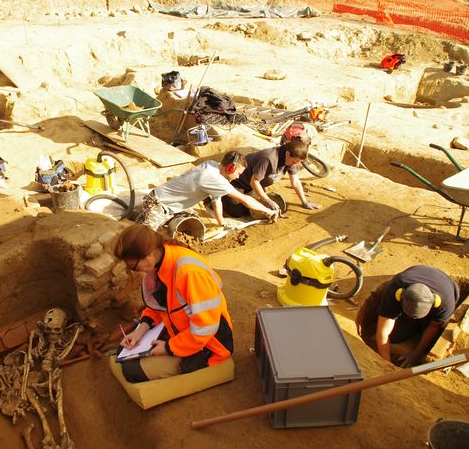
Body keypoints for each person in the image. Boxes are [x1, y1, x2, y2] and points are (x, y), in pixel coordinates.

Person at [113, 224, 234, 383]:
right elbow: (158, 305)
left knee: (132, 371)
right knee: (124, 351)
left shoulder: (189, 273)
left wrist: (168, 348)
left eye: (132, 266)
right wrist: (140, 331)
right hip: (182, 332)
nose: (133, 270)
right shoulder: (159, 261)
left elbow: (205, 328)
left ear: (148, 255)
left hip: (209, 345)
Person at [137, 150, 279, 232]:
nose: (238, 177)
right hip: (158, 203)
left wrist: (221, 222)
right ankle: (143, 219)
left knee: (193, 218)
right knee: (146, 236)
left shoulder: (212, 165)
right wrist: (268, 211)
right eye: (238, 173)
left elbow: (216, 201)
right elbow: (245, 199)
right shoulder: (213, 178)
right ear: (230, 168)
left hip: (171, 206)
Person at [375, 265, 459, 367]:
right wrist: (387, 363)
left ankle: (420, 327)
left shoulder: (446, 302)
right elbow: (383, 332)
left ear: (435, 302)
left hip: (445, 283)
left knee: (429, 332)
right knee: (395, 336)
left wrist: (418, 353)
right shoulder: (395, 288)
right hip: (415, 275)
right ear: (400, 296)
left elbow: (434, 326)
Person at [221, 139, 321, 218]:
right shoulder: (269, 158)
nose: (296, 165)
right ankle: (217, 195)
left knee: (254, 209)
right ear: (287, 154)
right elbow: (254, 182)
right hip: (236, 182)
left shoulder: (292, 160)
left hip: (252, 187)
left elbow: (295, 181)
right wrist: (267, 200)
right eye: (295, 162)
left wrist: (304, 202)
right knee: (237, 212)